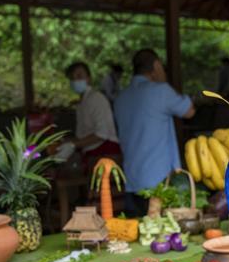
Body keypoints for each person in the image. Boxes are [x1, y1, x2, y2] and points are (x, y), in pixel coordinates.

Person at [114, 49, 196, 215]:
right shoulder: (161, 91)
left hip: (131, 180)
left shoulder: (121, 98)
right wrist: (163, 80)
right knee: (164, 234)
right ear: (157, 66)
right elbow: (189, 111)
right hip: (159, 183)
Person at [65, 61, 121, 169]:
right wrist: (70, 142)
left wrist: (74, 145)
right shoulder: (81, 104)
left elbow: (102, 134)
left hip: (106, 155)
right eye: (72, 78)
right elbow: (83, 134)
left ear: (89, 79)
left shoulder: (96, 98)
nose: (76, 80)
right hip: (91, 155)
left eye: (79, 76)